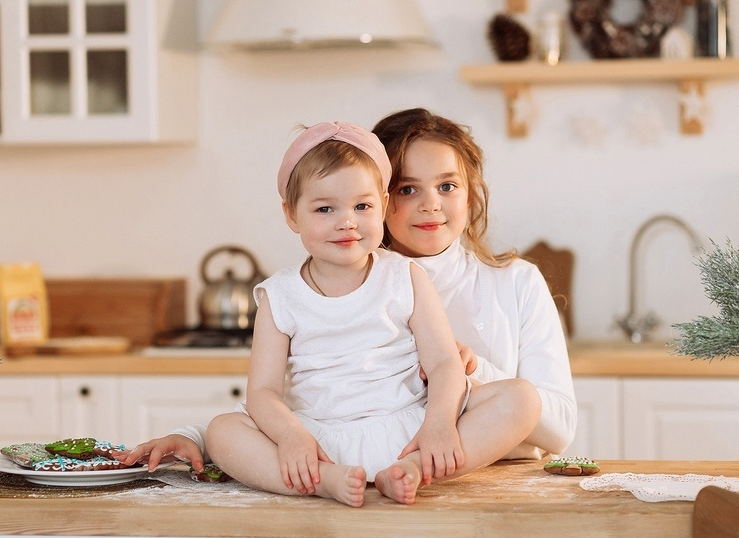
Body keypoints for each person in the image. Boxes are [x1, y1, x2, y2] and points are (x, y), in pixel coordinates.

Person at [196, 121, 540, 508]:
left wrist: (439, 425)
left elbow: (444, 363)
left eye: (362, 206)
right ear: (291, 215)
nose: (347, 221)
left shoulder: (405, 276)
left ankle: (413, 469)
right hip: (319, 441)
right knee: (222, 432)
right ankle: (324, 481)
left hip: (410, 427)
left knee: (521, 398)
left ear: (383, 206)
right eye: (325, 208)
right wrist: (292, 437)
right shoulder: (279, 296)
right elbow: (263, 392)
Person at [372, 108, 577, 459]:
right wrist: (515, 438)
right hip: (389, 492)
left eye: (447, 186)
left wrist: (472, 368)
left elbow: (559, 431)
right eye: (407, 189)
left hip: (501, 499)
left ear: (469, 196)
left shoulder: (517, 282)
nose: (431, 204)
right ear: (377, 199)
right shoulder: (352, 291)